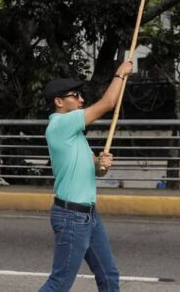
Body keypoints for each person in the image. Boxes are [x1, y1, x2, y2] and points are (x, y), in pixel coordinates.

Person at [39, 58, 133, 292]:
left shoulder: (76, 134)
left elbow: (97, 171)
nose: (82, 99)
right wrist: (120, 73)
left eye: (81, 95)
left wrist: (103, 164)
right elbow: (109, 102)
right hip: (72, 216)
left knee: (109, 276)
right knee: (59, 283)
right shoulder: (61, 124)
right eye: (76, 95)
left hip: (89, 216)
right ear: (59, 101)